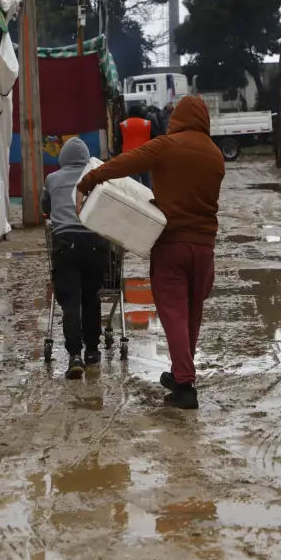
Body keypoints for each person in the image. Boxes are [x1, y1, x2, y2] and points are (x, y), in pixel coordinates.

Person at [77, 96, 225, 410]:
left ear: (178, 119)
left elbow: (124, 163)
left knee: (173, 315)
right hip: (205, 248)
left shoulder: (166, 145)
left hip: (172, 245)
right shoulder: (216, 155)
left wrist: (89, 180)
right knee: (191, 313)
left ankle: (184, 386)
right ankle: (179, 373)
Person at [42, 137, 109, 380]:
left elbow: (46, 207)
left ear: (63, 158)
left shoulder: (52, 179)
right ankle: (92, 351)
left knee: (71, 301)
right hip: (95, 247)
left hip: (65, 247)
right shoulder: (97, 176)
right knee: (90, 297)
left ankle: (74, 356)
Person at [119, 105, 153, 189]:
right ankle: (150, 199)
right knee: (147, 184)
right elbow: (155, 139)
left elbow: (119, 142)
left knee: (133, 185)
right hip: (145, 156)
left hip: (129, 158)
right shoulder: (147, 123)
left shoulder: (123, 124)